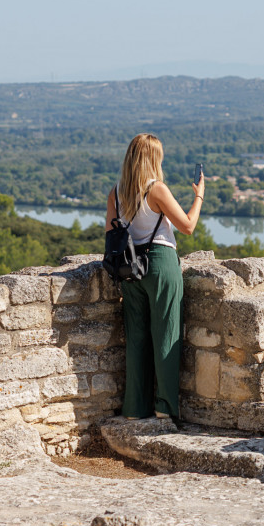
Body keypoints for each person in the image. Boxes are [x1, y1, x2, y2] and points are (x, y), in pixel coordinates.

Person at [105, 133, 204, 420]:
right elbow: (188, 226)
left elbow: (111, 234)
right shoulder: (156, 189)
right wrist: (199, 196)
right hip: (159, 261)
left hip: (130, 267)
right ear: (153, 159)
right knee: (166, 334)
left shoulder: (116, 192)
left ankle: (135, 408)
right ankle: (165, 408)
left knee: (136, 337)